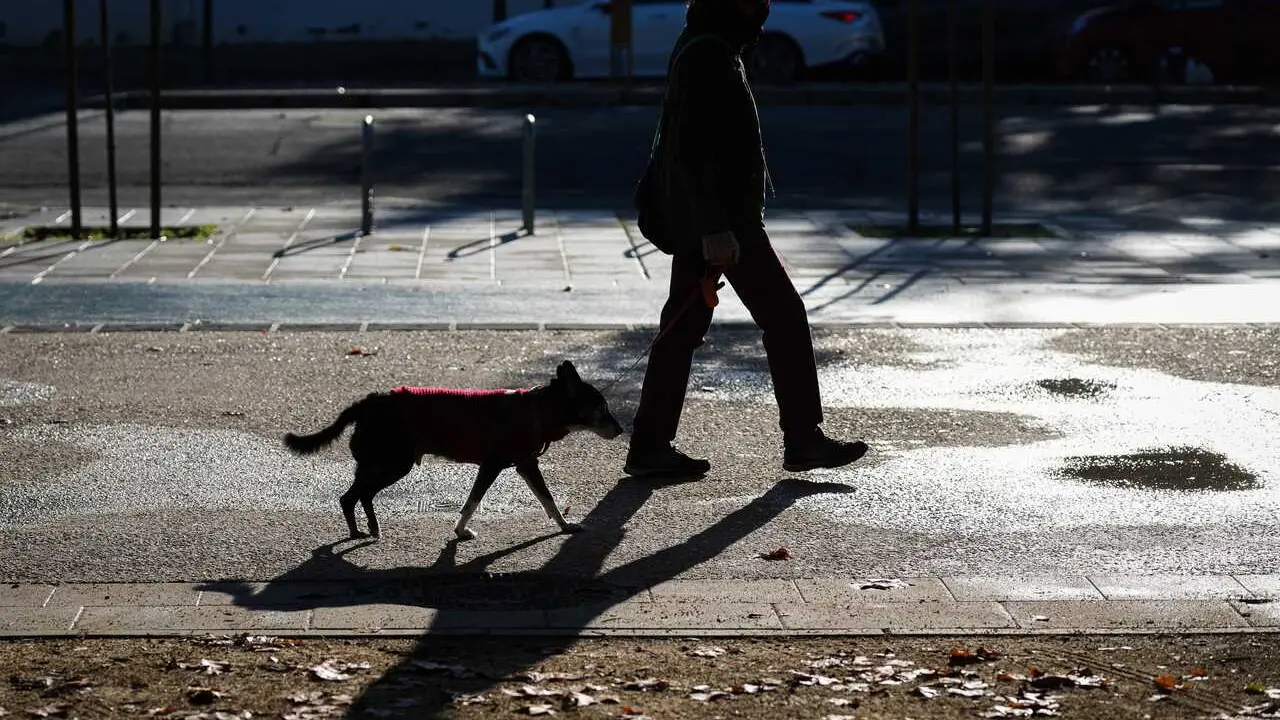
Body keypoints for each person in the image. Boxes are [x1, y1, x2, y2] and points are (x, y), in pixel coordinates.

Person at [623, 0, 870, 478]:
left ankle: (650, 444)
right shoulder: (707, 54)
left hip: (717, 219)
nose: (763, 8)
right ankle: (802, 438)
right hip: (725, 224)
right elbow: (693, 148)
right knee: (784, 316)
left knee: (683, 327)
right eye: (755, 0)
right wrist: (715, 228)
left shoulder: (710, 44)